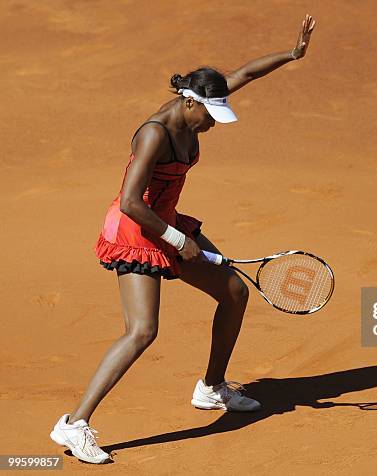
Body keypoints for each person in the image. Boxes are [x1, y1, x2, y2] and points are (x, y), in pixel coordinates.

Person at [49, 14, 316, 464]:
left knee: (233, 292)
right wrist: (177, 239)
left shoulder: (200, 102)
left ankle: (211, 388)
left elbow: (246, 73)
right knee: (142, 331)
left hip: (169, 223)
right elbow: (133, 202)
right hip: (137, 231)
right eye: (209, 115)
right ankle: (73, 425)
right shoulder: (153, 133)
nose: (212, 124)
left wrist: (292, 54)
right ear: (189, 103)